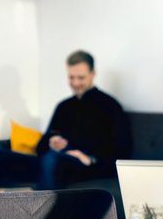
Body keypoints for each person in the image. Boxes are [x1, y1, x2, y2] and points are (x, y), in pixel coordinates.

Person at [36, 50, 131, 190]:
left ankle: (41, 210)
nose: (75, 83)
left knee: (51, 161)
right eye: (71, 77)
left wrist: (89, 159)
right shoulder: (63, 107)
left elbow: (123, 153)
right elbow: (40, 147)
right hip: (57, 159)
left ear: (93, 74)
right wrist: (52, 142)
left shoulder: (110, 106)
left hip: (90, 166)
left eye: (81, 78)